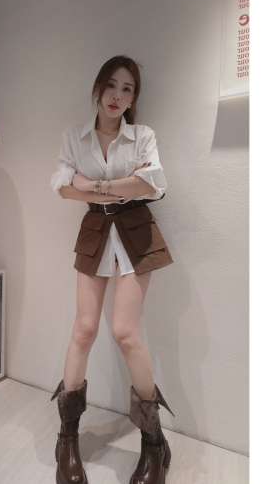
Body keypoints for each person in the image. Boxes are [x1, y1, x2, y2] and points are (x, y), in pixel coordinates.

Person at [49, 55, 175, 484]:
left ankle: (155, 444)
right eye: (111, 85)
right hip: (95, 230)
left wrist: (93, 184)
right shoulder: (74, 135)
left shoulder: (143, 136)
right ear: (98, 88)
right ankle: (67, 438)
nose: (117, 95)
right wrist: (118, 185)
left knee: (124, 332)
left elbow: (152, 185)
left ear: (133, 98)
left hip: (137, 231)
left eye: (127, 88)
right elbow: (62, 187)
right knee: (84, 330)